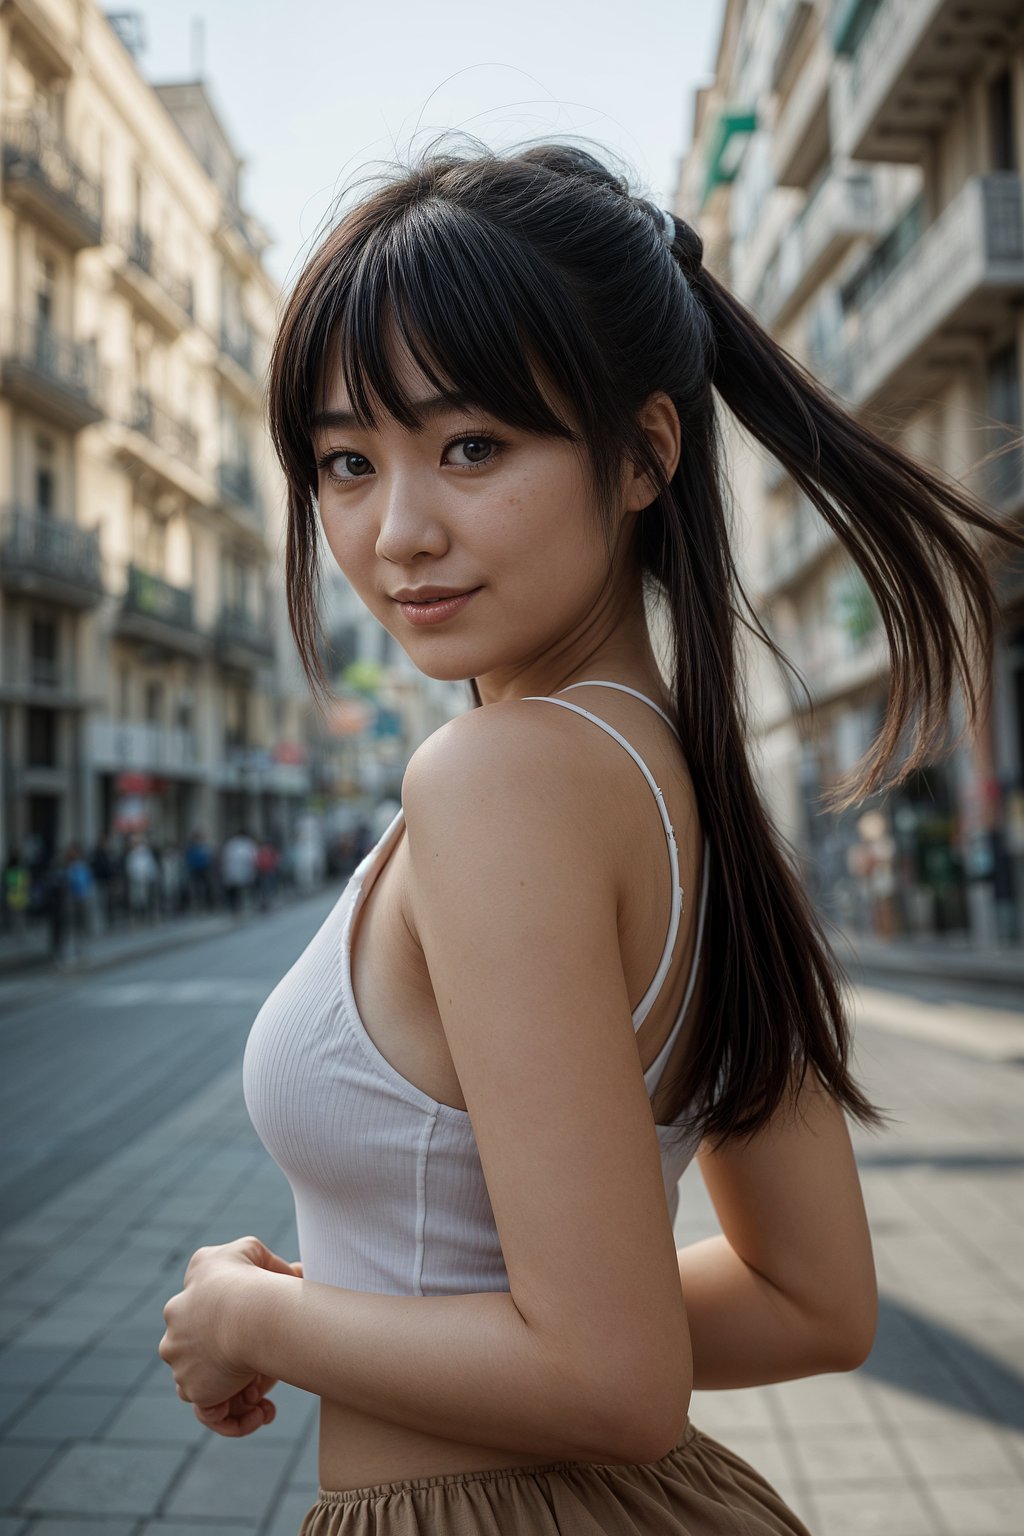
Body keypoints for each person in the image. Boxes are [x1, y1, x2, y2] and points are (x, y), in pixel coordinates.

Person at [158, 138, 1024, 1534]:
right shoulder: (689, 791)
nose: (398, 532)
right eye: (345, 463)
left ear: (644, 455)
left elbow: (610, 1379)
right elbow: (811, 1300)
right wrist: (348, 1314)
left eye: (472, 446)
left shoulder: (496, 780)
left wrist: (257, 1320)